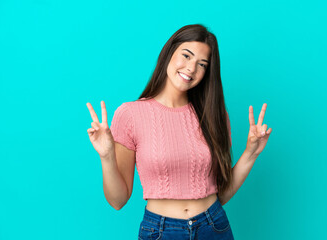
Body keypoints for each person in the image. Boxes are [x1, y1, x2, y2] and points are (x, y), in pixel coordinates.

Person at [86, 24, 272, 240]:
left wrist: (251, 153)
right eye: (186, 55)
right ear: (169, 53)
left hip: (214, 227)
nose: (191, 68)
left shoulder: (214, 114)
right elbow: (117, 201)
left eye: (202, 64)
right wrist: (107, 156)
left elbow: (220, 194)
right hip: (161, 231)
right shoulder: (130, 114)